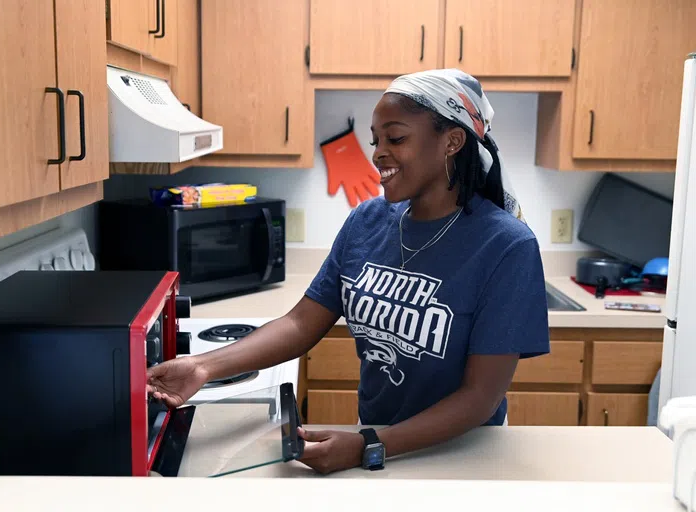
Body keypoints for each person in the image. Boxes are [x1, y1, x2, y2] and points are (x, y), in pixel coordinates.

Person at [147, 68, 550, 475]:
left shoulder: (506, 246)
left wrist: (367, 447)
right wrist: (202, 366)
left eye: (396, 138)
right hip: (378, 444)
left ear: (452, 141)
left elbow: (480, 397)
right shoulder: (367, 221)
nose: (377, 153)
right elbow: (300, 323)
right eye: (376, 140)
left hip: (464, 455)